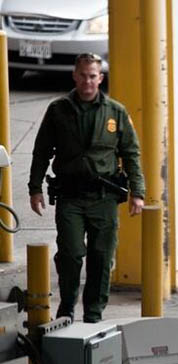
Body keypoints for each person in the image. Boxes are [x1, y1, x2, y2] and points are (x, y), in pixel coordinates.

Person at [28, 52, 145, 324]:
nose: (87, 81)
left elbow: (131, 153)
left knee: (101, 259)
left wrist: (137, 192)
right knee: (70, 253)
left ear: (100, 78)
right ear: (74, 75)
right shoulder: (58, 110)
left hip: (103, 197)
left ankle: (93, 313)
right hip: (70, 196)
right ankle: (67, 307)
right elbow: (41, 152)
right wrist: (35, 189)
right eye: (82, 75)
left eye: (92, 76)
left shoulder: (115, 111)